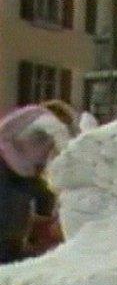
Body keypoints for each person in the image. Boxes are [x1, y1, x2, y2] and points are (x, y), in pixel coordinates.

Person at [0, 106, 69, 264]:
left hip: (26, 172)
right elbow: (59, 133)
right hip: (6, 165)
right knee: (9, 210)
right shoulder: (42, 117)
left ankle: (16, 248)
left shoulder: (42, 140)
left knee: (39, 200)